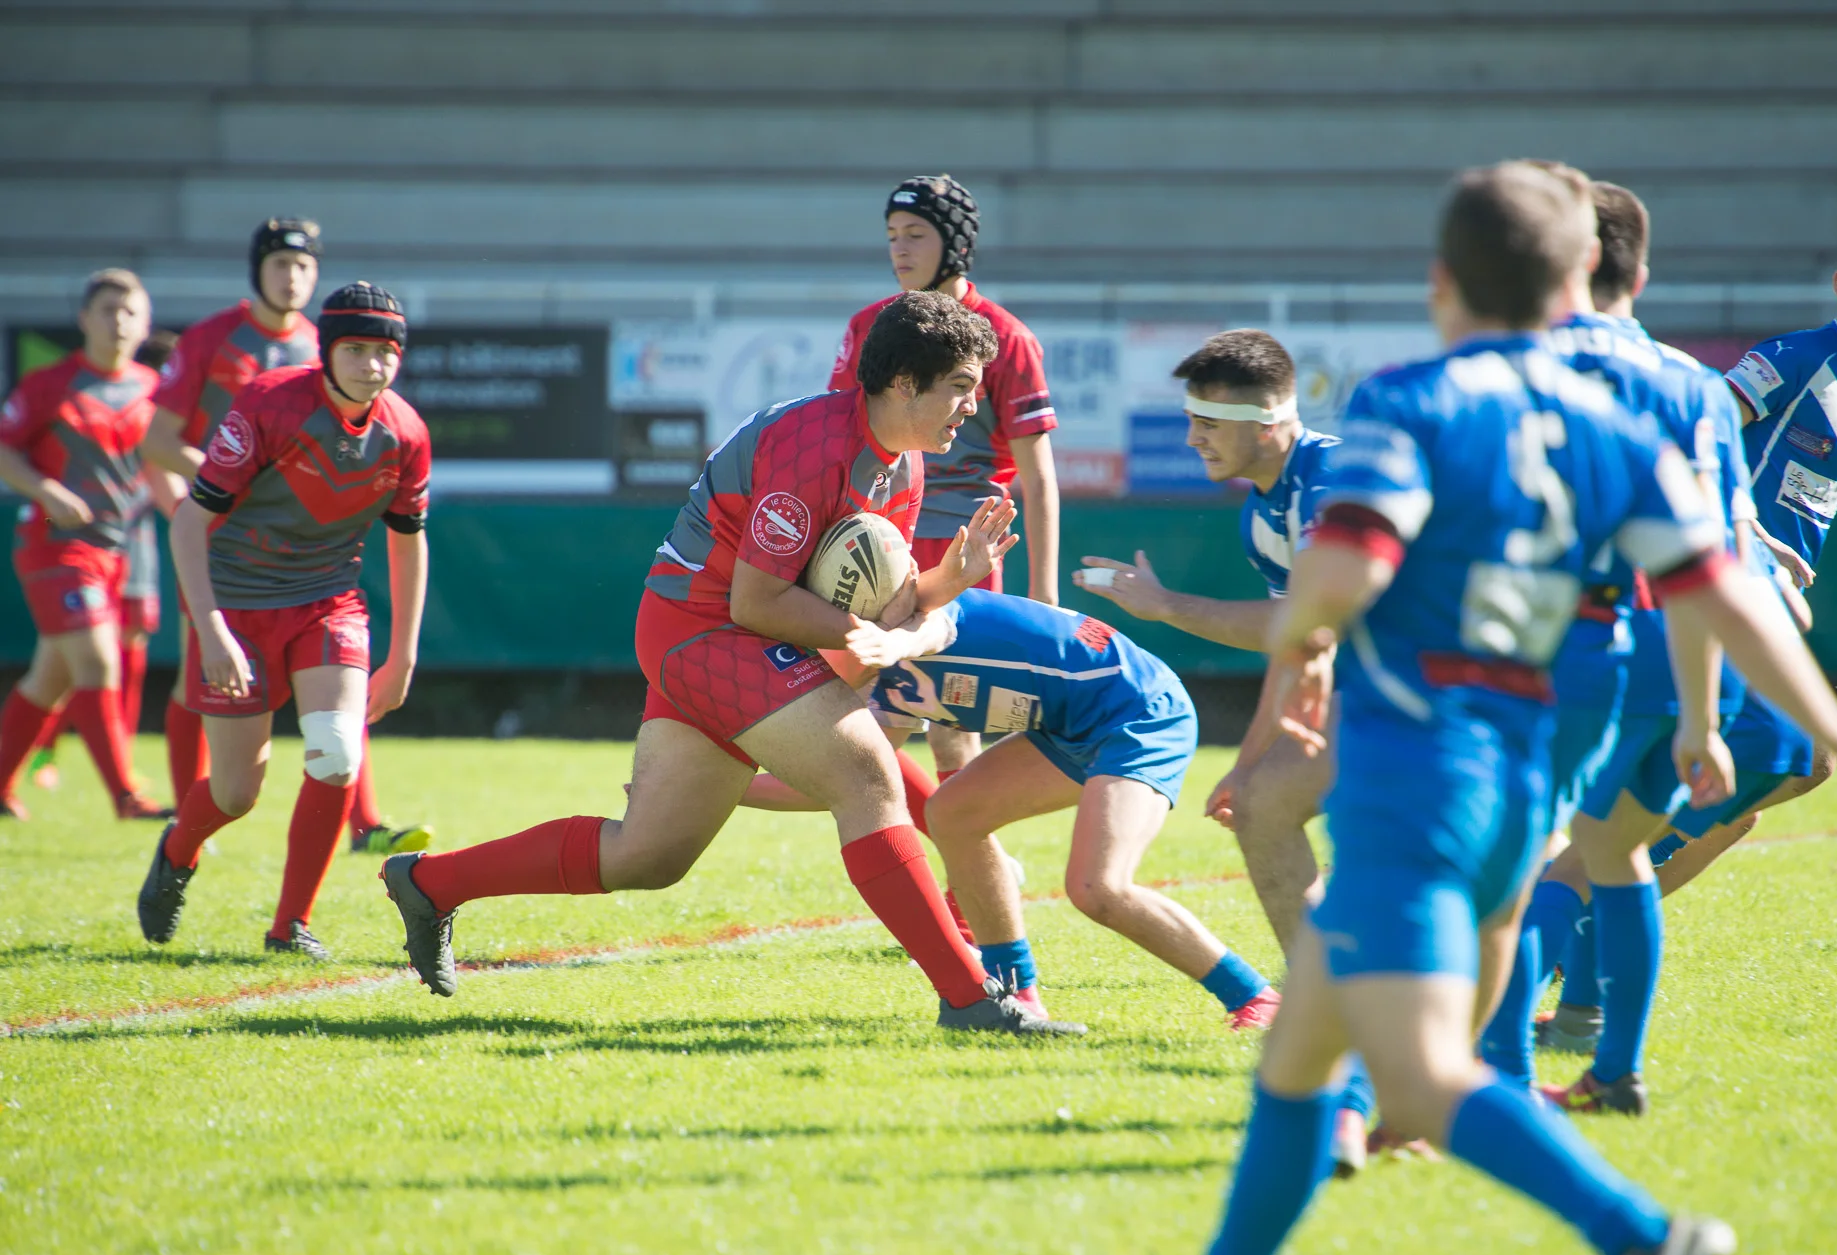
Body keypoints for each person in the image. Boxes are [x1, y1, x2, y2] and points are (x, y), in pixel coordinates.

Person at [1075, 161, 1837, 1255]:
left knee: (1426, 1079)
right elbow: (1715, 586)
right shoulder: (1611, 419)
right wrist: (1834, 724)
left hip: (1412, 768)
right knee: (1301, 1060)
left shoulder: (1408, 403)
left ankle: (1652, 1242)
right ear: (1574, 278)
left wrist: (1278, 614)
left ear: (1442, 284)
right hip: (1520, 766)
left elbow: (1334, 585)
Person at [379, 292, 1075, 1037]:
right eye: (962, 385)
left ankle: (428, 882)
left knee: (647, 853)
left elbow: (884, 605)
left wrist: (951, 580)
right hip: (702, 631)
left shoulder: (901, 466)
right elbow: (756, 600)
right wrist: (858, 637)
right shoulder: (814, 443)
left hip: (734, 638)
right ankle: (972, 997)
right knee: (868, 776)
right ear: (905, 381)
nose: (973, 405)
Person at [1547, 206, 1837, 1063]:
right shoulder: (1791, 360)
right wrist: (1743, 530)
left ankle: (1580, 931)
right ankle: (1571, 942)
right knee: (1790, 764)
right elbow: (1692, 437)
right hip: (1711, 584)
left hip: (1763, 596)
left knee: (1745, 802)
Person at [1479, 175, 1761, 1115]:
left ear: (1573, 258)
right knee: (1617, 854)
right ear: (1643, 264)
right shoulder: (1696, 385)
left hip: (1572, 649)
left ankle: (1504, 1078)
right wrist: (1703, 707)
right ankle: (1616, 1069)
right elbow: (1719, 553)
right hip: (1685, 662)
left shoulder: (1528, 364)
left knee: (1512, 865)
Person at [1072, 329, 1384, 1170]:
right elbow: (1296, 646)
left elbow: (1308, 621)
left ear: (1270, 419)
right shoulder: (1262, 513)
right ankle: (1336, 1038)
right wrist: (1246, 766)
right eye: (1190, 419)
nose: (1193, 438)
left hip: (1445, 693)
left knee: (1432, 891)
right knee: (1267, 808)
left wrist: (1168, 605)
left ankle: (1370, 1064)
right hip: (1386, 694)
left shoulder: (1329, 479)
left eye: (1208, 421)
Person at [771, 587, 1282, 1029]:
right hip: (1070, 727)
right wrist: (728, 788)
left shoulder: (916, 610)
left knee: (1099, 888)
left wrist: (897, 641)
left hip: (1140, 714)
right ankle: (1017, 995)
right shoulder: (876, 679)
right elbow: (843, 780)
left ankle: (1256, 997)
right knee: (954, 813)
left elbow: (933, 627)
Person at [136, 282, 431, 960]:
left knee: (336, 754)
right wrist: (210, 632)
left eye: (384, 351)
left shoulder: (407, 431)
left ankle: (288, 925)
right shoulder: (269, 404)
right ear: (326, 349)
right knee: (238, 791)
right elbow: (189, 520)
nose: (370, 365)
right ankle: (178, 848)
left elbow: (408, 538)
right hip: (237, 605)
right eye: (354, 349)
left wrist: (404, 656)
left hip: (328, 603)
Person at [830, 175, 1061, 793]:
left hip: (963, 547)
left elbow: (1038, 476)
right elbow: (840, 442)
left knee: (941, 714)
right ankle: (968, 852)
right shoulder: (870, 326)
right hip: (878, 547)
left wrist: (1042, 594)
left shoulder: (1006, 338)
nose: (899, 249)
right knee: (858, 713)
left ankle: (967, 858)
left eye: (916, 235)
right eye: (891, 236)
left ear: (954, 243)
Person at [0, 269, 172, 821]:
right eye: (107, 310)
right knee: (99, 662)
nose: (118, 321)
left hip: (115, 551)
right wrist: (47, 489)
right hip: (55, 545)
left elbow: (164, 469)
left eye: (129, 311)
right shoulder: (50, 384)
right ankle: (126, 796)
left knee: (48, 680)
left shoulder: (154, 389)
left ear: (145, 324)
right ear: (83, 319)